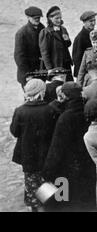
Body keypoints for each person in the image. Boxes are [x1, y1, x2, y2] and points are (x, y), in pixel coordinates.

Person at [43, 82, 97, 211]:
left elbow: (57, 148)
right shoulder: (88, 109)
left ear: (65, 96)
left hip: (70, 166)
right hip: (88, 164)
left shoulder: (65, 117)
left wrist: (47, 171)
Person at [10, 79, 56, 212]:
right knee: (46, 185)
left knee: (31, 185)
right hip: (45, 155)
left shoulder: (20, 111)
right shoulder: (49, 109)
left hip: (28, 156)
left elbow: (15, 132)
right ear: (42, 92)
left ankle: (35, 206)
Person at [39, 6, 73, 81]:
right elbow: (44, 52)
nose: (59, 20)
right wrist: (49, 68)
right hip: (55, 65)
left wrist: (67, 40)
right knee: (57, 86)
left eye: (60, 18)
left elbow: (68, 45)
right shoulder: (45, 32)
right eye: (57, 18)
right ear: (50, 18)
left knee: (69, 84)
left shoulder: (63, 29)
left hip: (66, 64)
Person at [14, 6, 45, 87]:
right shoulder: (22, 33)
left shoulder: (43, 29)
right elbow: (19, 57)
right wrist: (27, 74)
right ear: (28, 17)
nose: (37, 19)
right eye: (34, 18)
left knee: (41, 96)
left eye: (38, 17)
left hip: (41, 73)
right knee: (30, 97)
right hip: (28, 74)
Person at [72, 11, 97, 78]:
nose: (93, 23)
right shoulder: (80, 38)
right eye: (91, 21)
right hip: (84, 74)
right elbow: (77, 59)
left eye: (94, 20)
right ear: (84, 22)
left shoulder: (93, 35)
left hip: (93, 72)